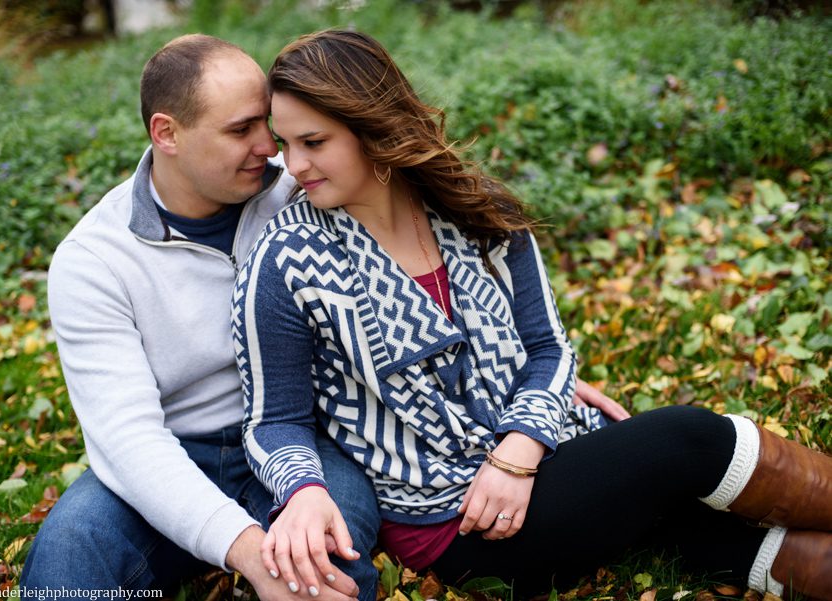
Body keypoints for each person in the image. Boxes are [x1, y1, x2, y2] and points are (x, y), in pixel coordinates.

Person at [232, 29, 832, 600]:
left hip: (539, 455)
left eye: (314, 143)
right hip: (453, 518)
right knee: (689, 440)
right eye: (286, 144)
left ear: (375, 128)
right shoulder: (287, 259)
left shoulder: (474, 211)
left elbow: (548, 348)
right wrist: (303, 488)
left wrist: (518, 452)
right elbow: (272, 420)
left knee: (683, 515)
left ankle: (793, 567)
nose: (295, 165)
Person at [20, 34, 379, 601]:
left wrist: (531, 363)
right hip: (169, 450)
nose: (268, 146)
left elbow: (420, 257)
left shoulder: (301, 189)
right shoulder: (94, 259)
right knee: (66, 564)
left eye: (267, 121)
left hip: (300, 439)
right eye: (241, 130)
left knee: (325, 565)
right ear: (167, 134)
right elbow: (131, 441)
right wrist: (246, 551)